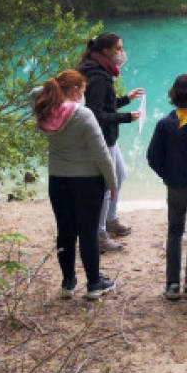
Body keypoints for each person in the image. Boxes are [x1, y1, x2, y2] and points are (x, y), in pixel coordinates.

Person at [32, 70, 117, 299]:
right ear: (77, 91)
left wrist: (53, 89)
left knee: (65, 232)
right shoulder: (83, 115)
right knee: (88, 233)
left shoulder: (45, 110)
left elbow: (35, 92)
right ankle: (94, 283)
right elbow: (101, 155)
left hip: (58, 181)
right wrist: (112, 182)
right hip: (88, 182)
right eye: (83, 91)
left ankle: (68, 283)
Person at [77, 32, 144, 253]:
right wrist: (127, 117)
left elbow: (104, 104)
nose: (121, 53)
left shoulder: (99, 71)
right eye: (118, 49)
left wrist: (126, 99)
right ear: (105, 51)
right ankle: (99, 232)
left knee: (120, 175)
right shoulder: (97, 76)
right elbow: (95, 115)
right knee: (107, 185)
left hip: (107, 138)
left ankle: (110, 220)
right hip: (101, 139)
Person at [147, 74, 187, 300]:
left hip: (175, 187)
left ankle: (172, 285)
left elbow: (153, 157)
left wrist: (168, 176)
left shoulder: (164, 124)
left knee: (174, 231)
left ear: (173, 94)